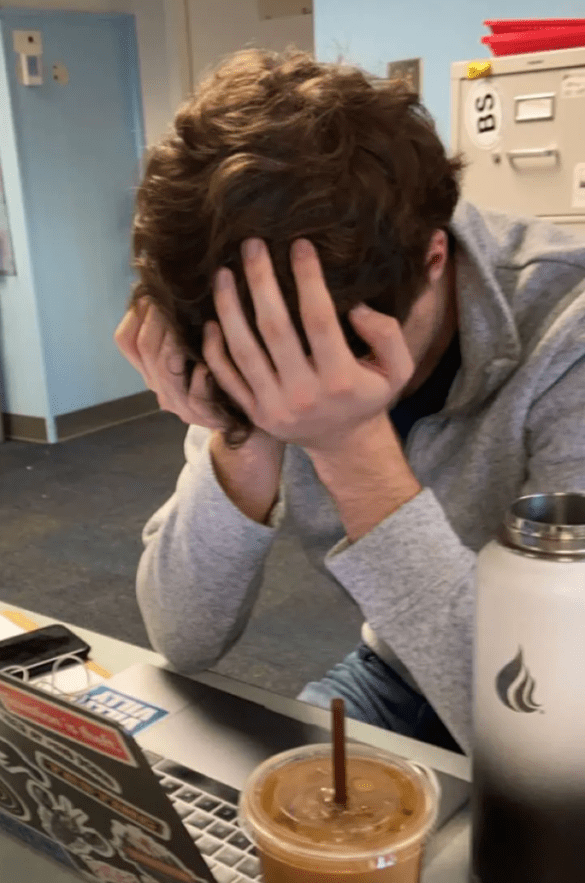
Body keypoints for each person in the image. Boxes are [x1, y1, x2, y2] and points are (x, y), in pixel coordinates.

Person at [113, 47, 585, 754]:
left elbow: (547, 735)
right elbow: (183, 637)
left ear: (433, 260)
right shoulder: (248, 326)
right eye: (253, 363)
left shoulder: (569, 335)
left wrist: (349, 445)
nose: (285, 388)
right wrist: (241, 431)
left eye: (324, 361)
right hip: (396, 665)